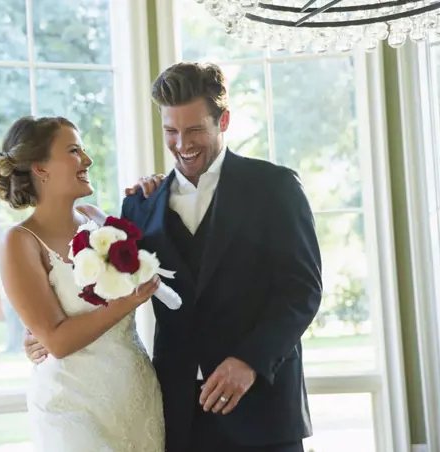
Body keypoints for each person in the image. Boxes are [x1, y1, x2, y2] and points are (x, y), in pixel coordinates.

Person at [25, 62, 323, 452]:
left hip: (264, 413)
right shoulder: (140, 207)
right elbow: (101, 290)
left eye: (195, 129)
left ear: (224, 120)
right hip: (175, 417)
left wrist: (248, 361)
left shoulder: (275, 187)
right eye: (171, 131)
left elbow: (302, 292)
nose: (183, 144)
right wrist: (44, 330)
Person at [0, 115, 168, 451]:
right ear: (40, 168)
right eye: (74, 150)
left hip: (135, 397)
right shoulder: (20, 242)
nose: (87, 159)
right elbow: (56, 342)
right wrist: (126, 302)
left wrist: (154, 193)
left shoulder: (98, 220)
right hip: (71, 409)